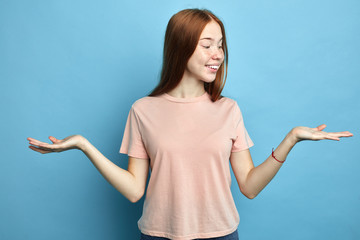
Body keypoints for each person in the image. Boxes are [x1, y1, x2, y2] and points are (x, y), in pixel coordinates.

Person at [27, 8, 353, 240]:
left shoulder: (229, 110)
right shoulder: (143, 110)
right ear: (181, 47)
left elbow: (250, 187)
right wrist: (84, 145)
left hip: (221, 235)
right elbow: (133, 190)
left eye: (221, 44)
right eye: (207, 45)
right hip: (158, 235)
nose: (218, 54)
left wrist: (291, 139)